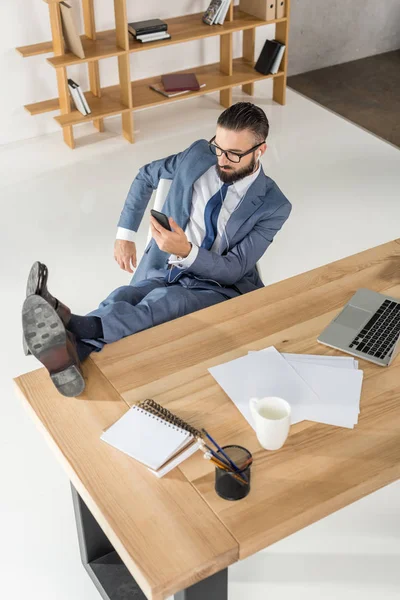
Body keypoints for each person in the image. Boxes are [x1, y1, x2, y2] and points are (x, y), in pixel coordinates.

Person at [22, 102, 292, 397]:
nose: (222, 160)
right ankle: (73, 354)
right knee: (124, 295)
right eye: (219, 147)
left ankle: (70, 324)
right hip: (166, 264)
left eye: (234, 154)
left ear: (260, 151)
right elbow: (146, 175)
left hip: (218, 285)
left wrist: (187, 251)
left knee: (167, 300)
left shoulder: (274, 205)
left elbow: (234, 269)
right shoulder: (197, 155)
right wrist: (124, 235)